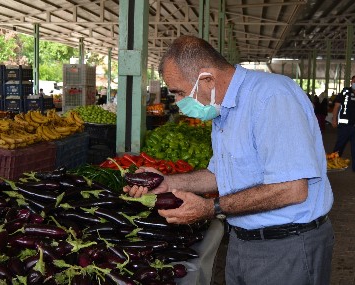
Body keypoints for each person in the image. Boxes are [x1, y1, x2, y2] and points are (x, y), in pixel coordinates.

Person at [124, 35, 334, 285]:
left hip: (286, 247)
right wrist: (168, 182)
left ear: (208, 79)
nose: (179, 103)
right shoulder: (223, 109)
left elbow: (292, 189)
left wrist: (210, 209)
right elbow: (221, 175)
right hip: (244, 240)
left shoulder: (271, 97)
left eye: (180, 93)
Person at [331, 75, 355, 174]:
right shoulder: (344, 93)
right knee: (339, 146)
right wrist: (334, 120)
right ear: (351, 82)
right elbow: (336, 107)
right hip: (345, 126)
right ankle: (333, 164)